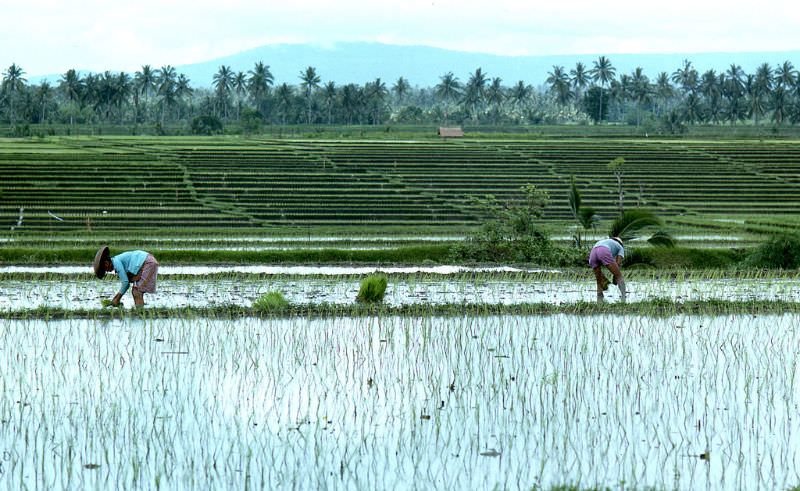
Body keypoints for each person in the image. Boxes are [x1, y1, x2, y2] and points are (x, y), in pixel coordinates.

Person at [93, 246, 159, 307]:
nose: (107, 271)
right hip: (147, 262)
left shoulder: (116, 263)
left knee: (137, 291)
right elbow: (130, 279)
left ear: (106, 263)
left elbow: (125, 283)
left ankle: (140, 313)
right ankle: (140, 312)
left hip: (148, 263)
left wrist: (117, 298)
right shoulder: (117, 261)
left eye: (105, 269)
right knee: (136, 291)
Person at [588, 237, 626, 303]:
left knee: (599, 280)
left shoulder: (605, 241)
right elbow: (618, 263)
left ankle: (599, 298)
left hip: (593, 252)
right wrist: (615, 277)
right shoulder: (620, 246)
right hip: (603, 251)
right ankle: (623, 297)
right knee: (619, 275)